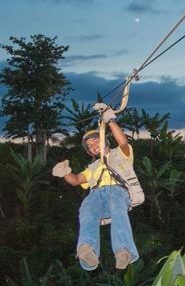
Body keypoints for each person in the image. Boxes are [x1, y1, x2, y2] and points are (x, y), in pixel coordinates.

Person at [52, 103, 144, 271]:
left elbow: (122, 141)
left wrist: (110, 121)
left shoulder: (120, 154)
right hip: (97, 196)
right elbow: (75, 180)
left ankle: (124, 251)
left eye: (96, 140)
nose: (93, 145)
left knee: (118, 209)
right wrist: (64, 172)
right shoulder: (92, 168)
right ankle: (87, 250)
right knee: (86, 209)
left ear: (104, 140)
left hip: (117, 191)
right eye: (90, 146)